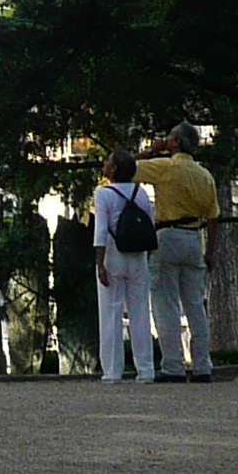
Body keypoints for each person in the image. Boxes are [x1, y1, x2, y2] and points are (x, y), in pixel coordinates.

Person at [134, 127, 220, 380]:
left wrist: (152, 150)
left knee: (166, 305)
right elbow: (213, 217)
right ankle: (203, 366)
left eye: (170, 136)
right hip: (194, 237)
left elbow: (125, 167)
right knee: (195, 305)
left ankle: (173, 366)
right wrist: (211, 252)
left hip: (167, 235)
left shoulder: (165, 167)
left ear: (176, 142)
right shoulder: (205, 175)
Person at [88, 150, 158, 382]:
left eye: (108, 161)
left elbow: (100, 230)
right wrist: (147, 256)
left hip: (113, 254)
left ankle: (112, 370)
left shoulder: (104, 195)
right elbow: (149, 225)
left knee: (110, 313)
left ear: (114, 168)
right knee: (140, 313)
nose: (105, 164)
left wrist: (100, 263)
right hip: (138, 255)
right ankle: (146, 369)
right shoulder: (142, 193)